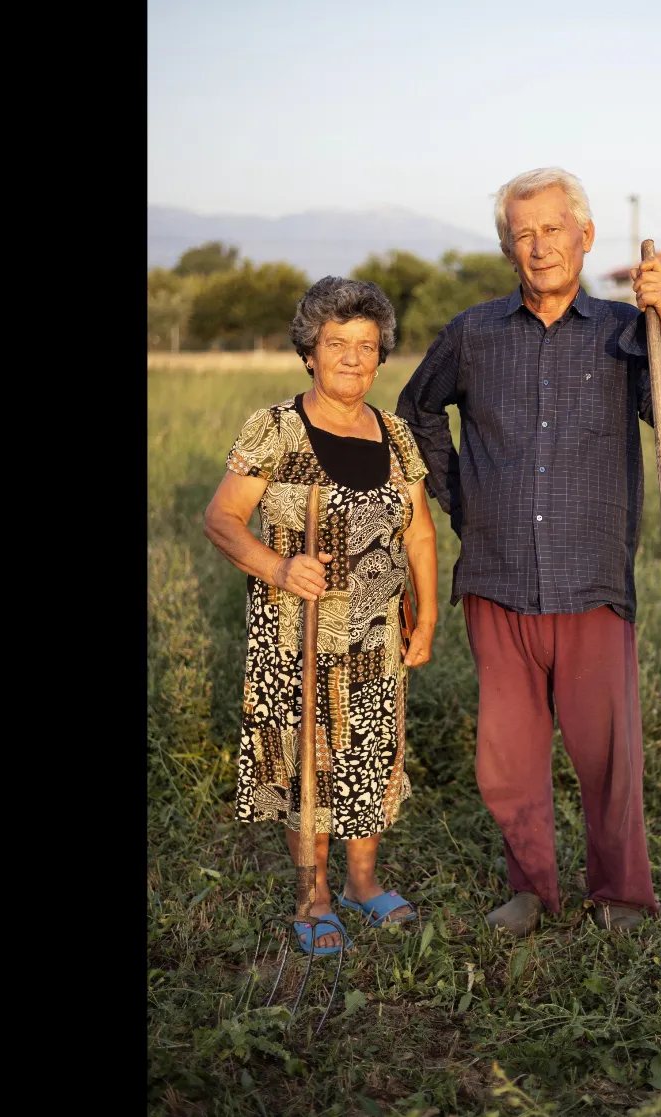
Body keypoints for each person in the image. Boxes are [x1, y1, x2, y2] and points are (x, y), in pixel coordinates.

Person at [395, 167, 661, 935]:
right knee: (507, 758)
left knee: (609, 755)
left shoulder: (626, 330)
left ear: (586, 236)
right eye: (524, 234)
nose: (539, 246)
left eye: (552, 229)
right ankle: (531, 889)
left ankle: (621, 894)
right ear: (508, 248)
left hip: (591, 578)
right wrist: (462, 497)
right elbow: (416, 410)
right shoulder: (474, 333)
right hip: (498, 575)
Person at [204, 276, 438, 955]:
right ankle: (314, 896)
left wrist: (425, 619)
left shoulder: (395, 435)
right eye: (337, 344)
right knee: (307, 763)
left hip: (375, 638)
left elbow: (420, 533)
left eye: (366, 345)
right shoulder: (275, 429)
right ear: (310, 352)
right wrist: (278, 568)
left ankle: (363, 884)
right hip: (296, 639)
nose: (352, 358)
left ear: (380, 356)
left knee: (370, 758)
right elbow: (222, 518)